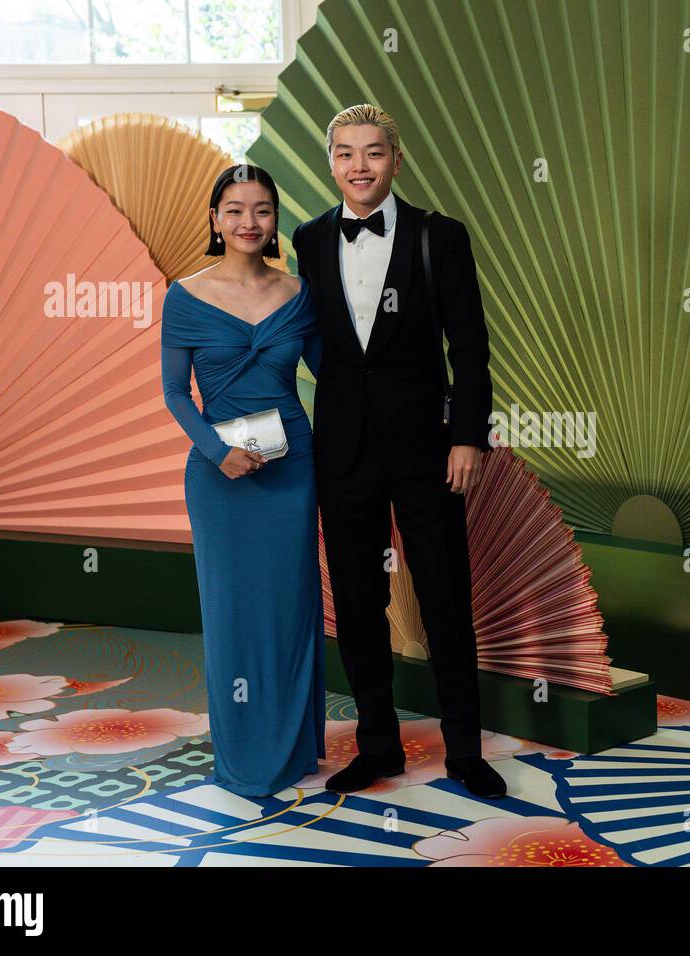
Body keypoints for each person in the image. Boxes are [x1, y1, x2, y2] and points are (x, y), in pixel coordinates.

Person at [292, 104, 505, 798]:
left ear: (397, 159)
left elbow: (469, 346)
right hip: (344, 452)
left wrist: (468, 434)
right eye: (347, 153)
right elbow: (323, 342)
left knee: (445, 599)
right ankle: (377, 747)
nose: (360, 165)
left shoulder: (439, 237)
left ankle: (465, 753)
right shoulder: (309, 238)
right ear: (331, 163)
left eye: (374, 152)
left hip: (429, 451)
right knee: (357, 604)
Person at [160, 164, 327, 797]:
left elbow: (333, 373)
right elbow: (176, 393)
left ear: (275, 219)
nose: (248, 222)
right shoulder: (185, 294)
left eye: (261, 210)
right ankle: (246, 754)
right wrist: (217, 451)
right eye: (234, 210)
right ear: (214, 220)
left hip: (293, 471)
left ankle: (292, 745)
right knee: (231, 614)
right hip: (220, 477)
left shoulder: (299, 293)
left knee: (289, 609)